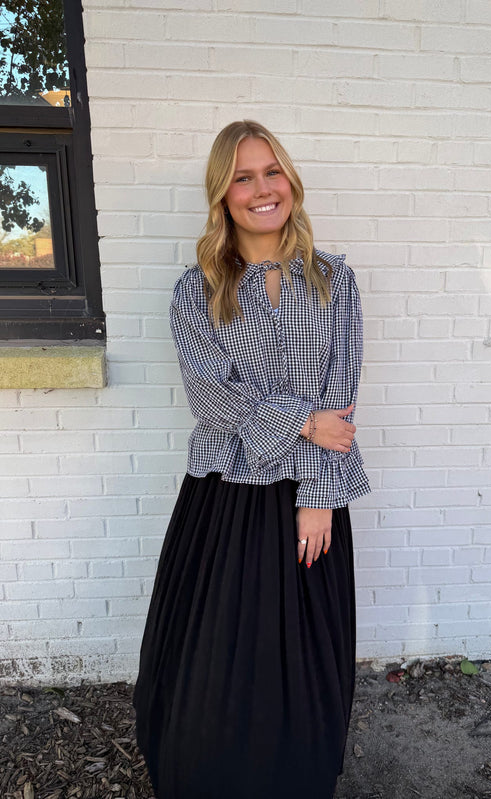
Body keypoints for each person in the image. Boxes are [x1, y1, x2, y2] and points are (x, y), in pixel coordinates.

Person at [133, 119, 371, 799]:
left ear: (290, 181)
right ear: (222, 194)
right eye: (242, 176)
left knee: (301, 661)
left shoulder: (334, 282)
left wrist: (318, 496)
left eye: (271, 172)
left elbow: (341, 402)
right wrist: (301, 419)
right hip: (226, 493)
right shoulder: (196, 291)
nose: (261, 188)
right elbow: (214, 399)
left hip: (309, 501)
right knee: (213, 659)